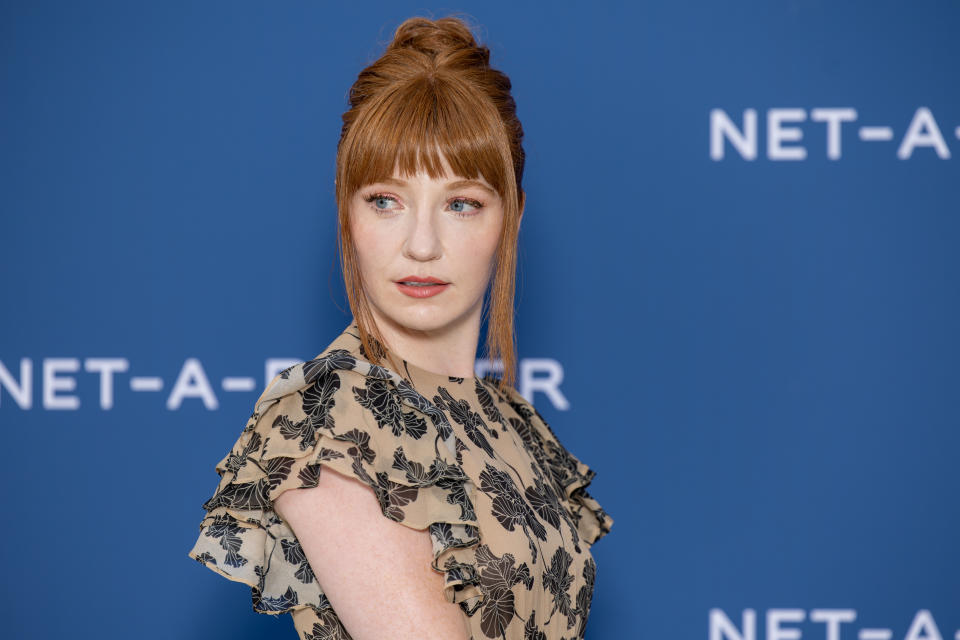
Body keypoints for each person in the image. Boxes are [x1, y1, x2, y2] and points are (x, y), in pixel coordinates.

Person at [188, 14, 613, 640]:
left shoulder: (508, 420)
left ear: (512, 215)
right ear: (347, 209)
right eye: (385, 200)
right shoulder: (332, 417)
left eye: (461, 203)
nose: (421, 244)